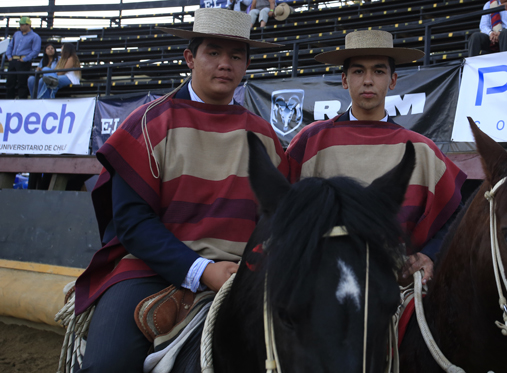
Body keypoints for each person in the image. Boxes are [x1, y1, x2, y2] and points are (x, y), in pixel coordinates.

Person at [71, 9, 286, 372]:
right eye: (213, 53)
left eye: (236, 56)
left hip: (244, 272)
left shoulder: (264, 136)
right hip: (151, 269)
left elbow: (277, 218)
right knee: (106, 364)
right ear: (190, 58)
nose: (225, 64)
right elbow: (132, 222)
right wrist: (201, 270)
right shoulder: (148, 122)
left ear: (247, 65)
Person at [287, 30, 467, 285]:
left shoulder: (421, 149)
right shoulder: (310, 141)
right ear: (344, 80)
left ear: (393, 80)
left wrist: (429, 255)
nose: (368, 80)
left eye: (379, 71)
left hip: (398, 288)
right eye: (359, 71)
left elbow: (455, 217)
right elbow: (279, 210)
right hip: (320, 288)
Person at [5, 16, 41, 99]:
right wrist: (9, 56)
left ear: (28, 25)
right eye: (20, 24)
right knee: (10, 82)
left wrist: (25, 59)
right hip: (14, 59)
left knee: (22, 83)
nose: (20, 26)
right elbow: (10, 45)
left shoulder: (35, 36)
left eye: (22, 24)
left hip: (23, 61)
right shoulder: (16, 34)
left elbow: (35, 50)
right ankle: (9, 100)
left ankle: (22, 100)